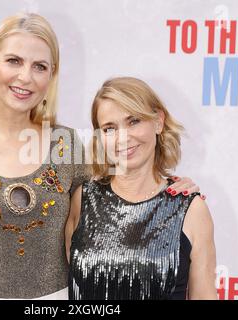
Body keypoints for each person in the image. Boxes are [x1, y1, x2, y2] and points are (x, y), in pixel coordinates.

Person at [0, 13, 200, 300]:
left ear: (51, 75)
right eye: (14, 60)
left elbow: (116, 199)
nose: (25, 76)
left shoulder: (67, 146)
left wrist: (169, 194)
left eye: (39, 66)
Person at [65, 77, 217, 300]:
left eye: (133, 121)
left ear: (158, 121)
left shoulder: (190, 209)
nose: (123, 138)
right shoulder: (83, 199)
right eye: (109, 128)